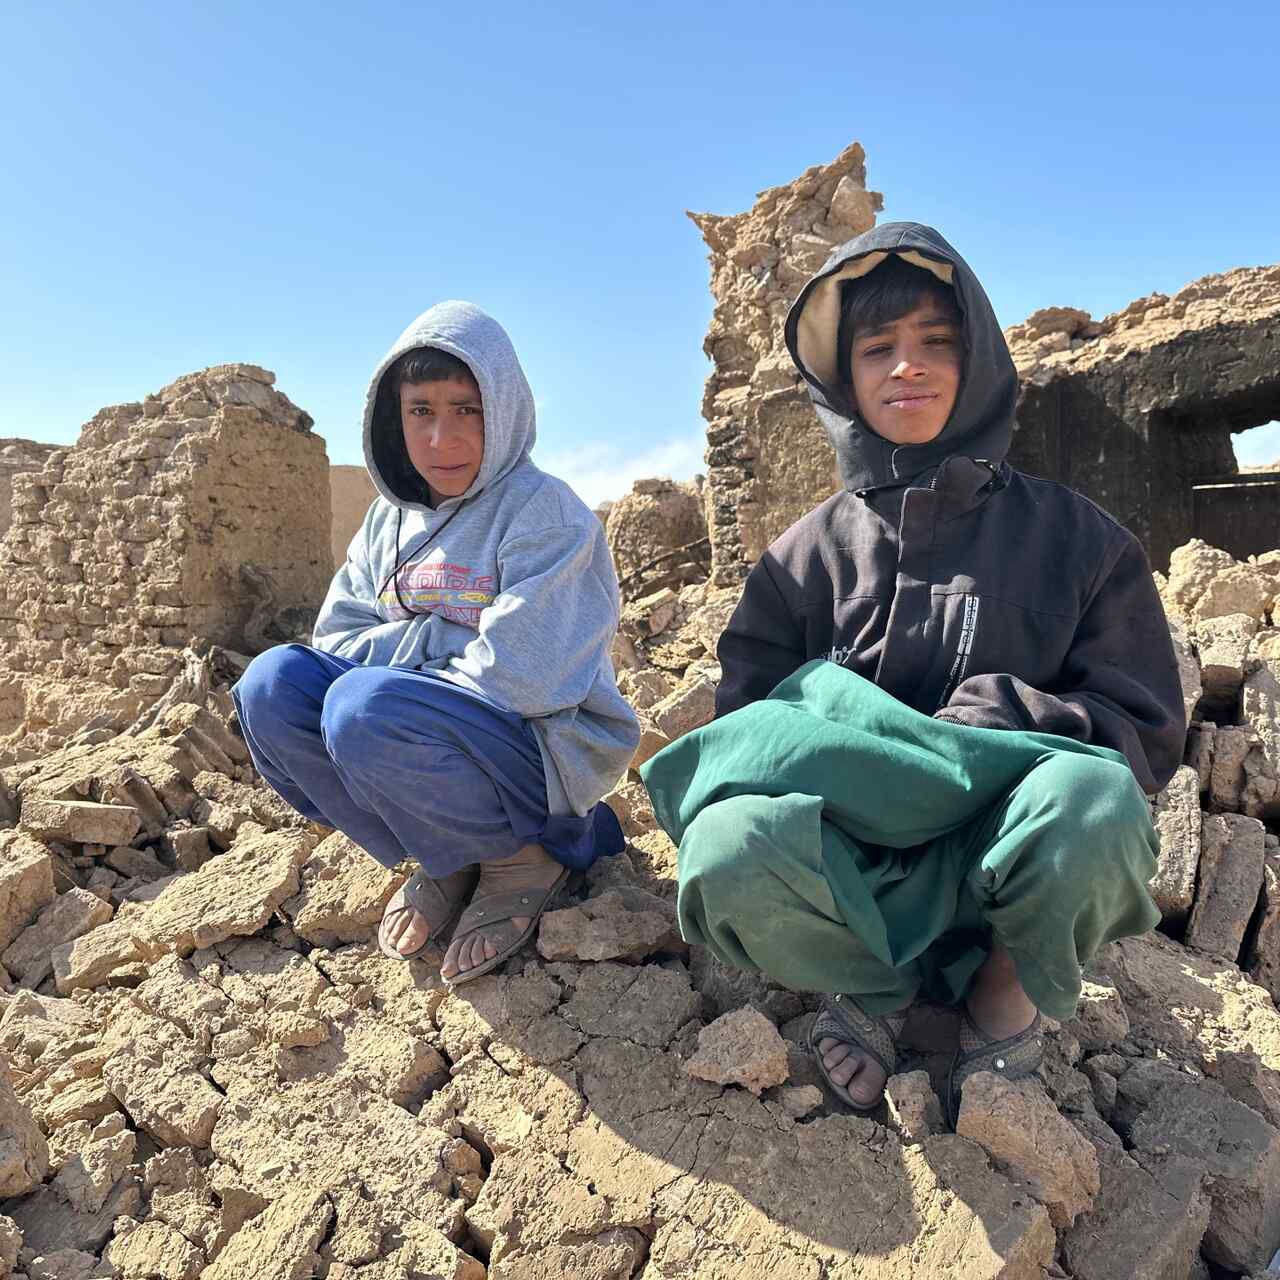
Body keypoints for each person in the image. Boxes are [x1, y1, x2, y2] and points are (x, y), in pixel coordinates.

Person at [640, 223, 1185, 1121]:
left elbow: (1144, 725)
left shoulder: (1077, 540)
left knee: (1096, 805)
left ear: (978, 357)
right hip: (852, 863)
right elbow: (750, 730)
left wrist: (1001, 720)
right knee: (728, 847)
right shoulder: (797, 561)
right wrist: (858, 746)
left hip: (1007, 857)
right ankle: (877, 984)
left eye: (937, 342)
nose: (908, 368)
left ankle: (1001, 994)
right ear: (841, 378)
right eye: (878, 348)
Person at [233, 301, 639, 985]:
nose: (441, 438)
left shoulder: (545, 515)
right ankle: (448, 855)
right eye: (421, 410)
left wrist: (395, 668)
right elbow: (335, 639)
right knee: (270, 688)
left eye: (467, 410)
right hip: (431, 727)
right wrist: (449, 632)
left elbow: (523, 675)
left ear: (505, 409)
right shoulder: (385, 523)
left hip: (541, 748)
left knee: (362, 709)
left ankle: (520, 856)